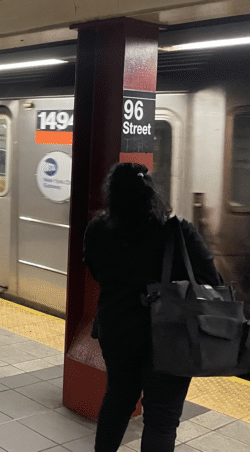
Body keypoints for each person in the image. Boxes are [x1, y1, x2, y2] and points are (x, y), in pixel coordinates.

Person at [83, 162, 223, 452]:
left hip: (117, 330)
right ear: (151, 193)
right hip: (171, 336)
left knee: (118, 399)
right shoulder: (177, 231)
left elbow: (95, 270)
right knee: (161, 418)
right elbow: (212, 279)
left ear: (113, 194)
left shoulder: (97, 229)